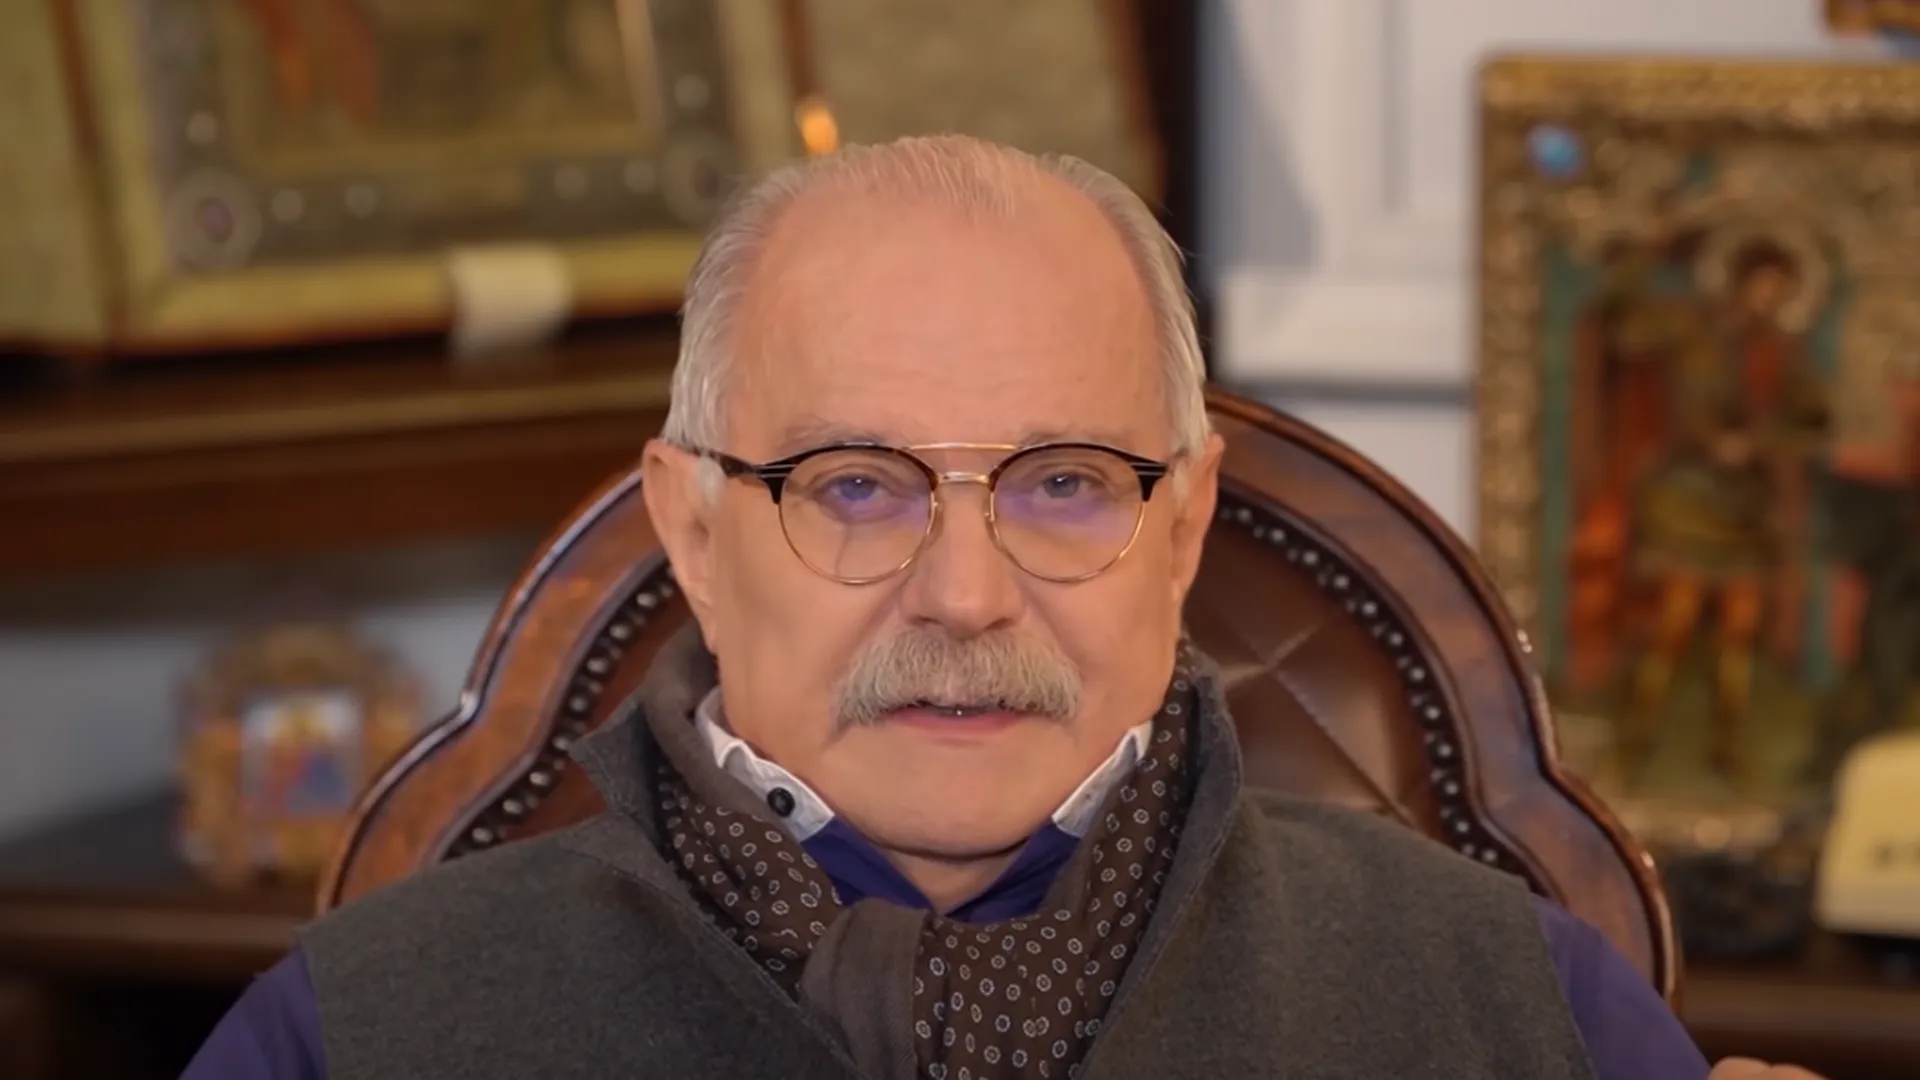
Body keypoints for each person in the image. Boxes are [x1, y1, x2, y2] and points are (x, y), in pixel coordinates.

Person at [181, 135, 1824, 1080]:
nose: (965, 596)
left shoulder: (1515, 1005)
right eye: (854, 486)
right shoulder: (354, 1034)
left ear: (1181, 529)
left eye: (1063, 485)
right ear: (695, 531)